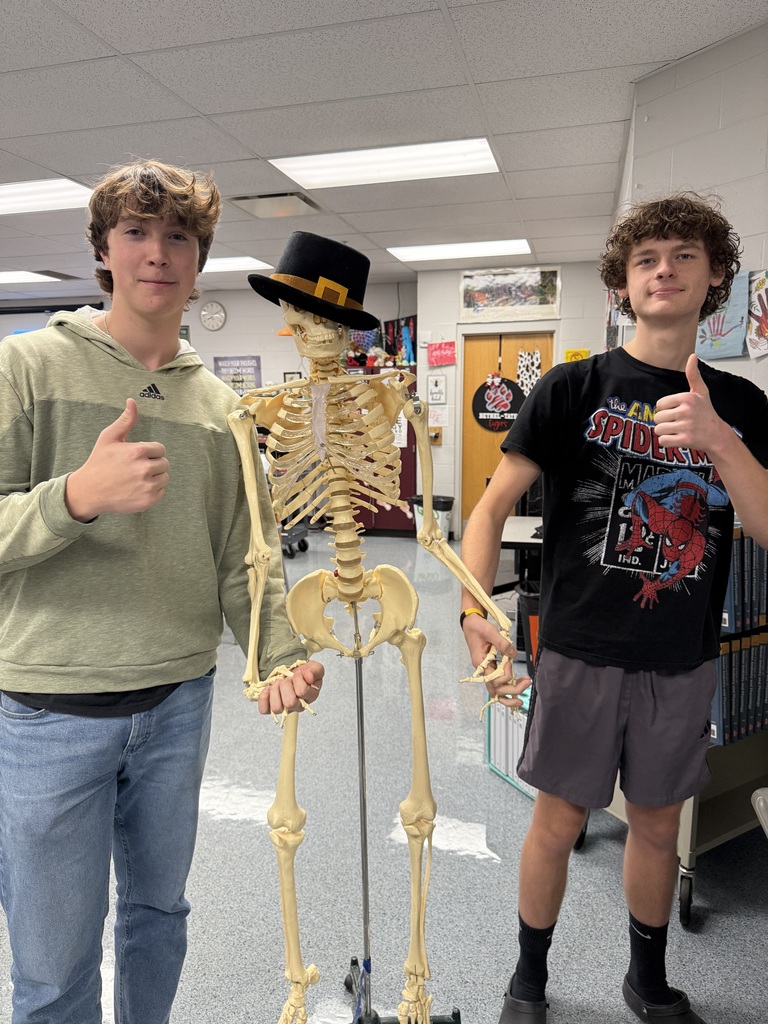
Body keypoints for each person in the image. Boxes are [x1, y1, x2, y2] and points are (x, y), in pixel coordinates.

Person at [0, 159, 324, 1024]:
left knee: (158, 920)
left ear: (200, 258)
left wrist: (278, 653)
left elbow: (240, 556)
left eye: (178, 235)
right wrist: (76, 497)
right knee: (53, 960)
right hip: (48, 707)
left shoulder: (223, 406)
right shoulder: (25, 369)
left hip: (177, 704)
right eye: (136, 232)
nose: (157, 252)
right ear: (104, 251)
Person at [460, 192, 768, 1024]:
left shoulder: (741, 406)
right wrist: (473, 610)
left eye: (684, 256)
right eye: (645, 260)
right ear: (623, 285)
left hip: (682, 652)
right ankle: (528, 980)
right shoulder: (572, 389)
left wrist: (720, 439)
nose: (663, 270)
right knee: (558, 822)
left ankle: (646, 979)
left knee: (659, 829)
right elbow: (488, 512)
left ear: (714, 282)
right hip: (580, 647)